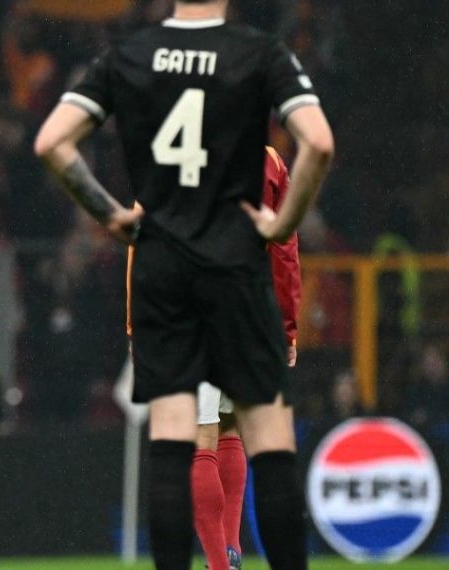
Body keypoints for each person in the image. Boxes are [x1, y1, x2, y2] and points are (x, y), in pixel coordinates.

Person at [34, 1, 334, 569]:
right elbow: (311, 165)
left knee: (181, 440)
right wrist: (286, 306)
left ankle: (217, 562)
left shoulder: (133, 61)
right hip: (238, 287)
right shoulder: (260, 83)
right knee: (257, 438)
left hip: (170, 291)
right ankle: (237, 555)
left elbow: (53, 144)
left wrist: (109, 217)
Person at [189, 147, 301, 570]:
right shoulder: (268, 158)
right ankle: (232, 552)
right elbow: (285, 244)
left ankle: (220, 565)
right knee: (231, 424)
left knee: (201, 434)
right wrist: (286, 323)